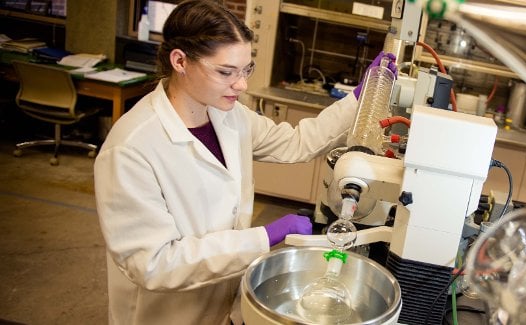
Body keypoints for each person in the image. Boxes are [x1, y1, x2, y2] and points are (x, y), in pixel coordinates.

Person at [93, 1, 397, 324]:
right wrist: (263, 238)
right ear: (180, 61)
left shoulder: (228, 115)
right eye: (226, 72)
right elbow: (154, 263)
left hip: (225, 308)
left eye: (246, 69)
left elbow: (295, 142)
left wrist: (357, 99)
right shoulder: (130, 149)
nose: (242, 85)